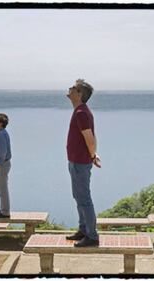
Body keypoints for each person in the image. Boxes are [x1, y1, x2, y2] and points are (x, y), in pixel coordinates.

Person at [65, 79, 101, 247]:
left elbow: (90, 139)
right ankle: (83, 230)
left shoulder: (81, 113)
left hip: (80, 162)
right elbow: (91, 138)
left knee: (84, 198)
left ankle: (92, 236)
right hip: (76, 161)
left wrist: (92, 156)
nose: (70, 89)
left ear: (79, 94)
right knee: (78, 197)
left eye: (74, 88)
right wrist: (93, 155)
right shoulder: (80, 110)